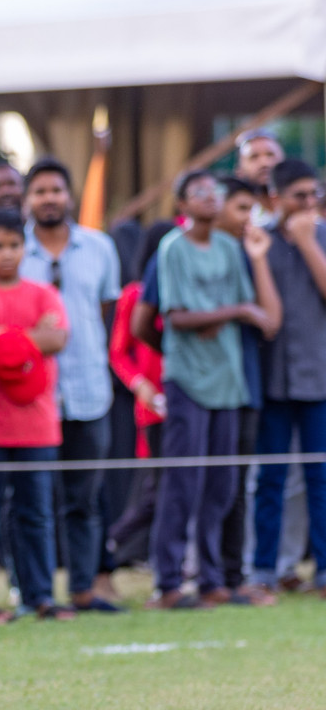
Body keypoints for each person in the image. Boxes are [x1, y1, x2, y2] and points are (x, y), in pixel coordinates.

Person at [147, 170, 276, 609]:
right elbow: (177, 316)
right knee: (183, 481)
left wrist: (224, 313)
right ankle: (167, 583)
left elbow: (256, 313)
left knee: (221, 484)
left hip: (229, 379)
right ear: (181, 203)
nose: (209, 197)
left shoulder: (229, 247)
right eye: (197, 191)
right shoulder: (173, 249)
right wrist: (233, 310)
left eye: (213, 191)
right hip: (187, 379)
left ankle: (212, 579)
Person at [17, 158, 124, 612]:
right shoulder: (11, 248)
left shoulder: (99, 247)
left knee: (84, 498)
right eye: (39, 191)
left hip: (88, 391)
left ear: (70, 196)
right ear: (28, 199)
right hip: (29, 396)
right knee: (30, 502)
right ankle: (36, 594)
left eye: (56, 190)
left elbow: (105, 310)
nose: (49, 199)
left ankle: (84, 588)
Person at [0, 210, 74, 620]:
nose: (6, 253)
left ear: (25, 248)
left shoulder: (44, 292)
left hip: (38, 424)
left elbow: (58, 337)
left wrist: (1, 337)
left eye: (13, 245)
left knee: (37, 514)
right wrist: (30, 336)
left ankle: (40, 594)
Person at [252, 158, 326, 601]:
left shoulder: (319, 235)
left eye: (313, 193)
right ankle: (262, 569)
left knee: (321, 477)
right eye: (299, 195)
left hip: (318, 378)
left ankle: (323, 568)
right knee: (271, 479)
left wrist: (306, 242)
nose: (308, 202)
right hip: (273, 381)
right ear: (275, 198)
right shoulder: (257, 240)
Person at [214, 176, 281, 603]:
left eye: (252, 210)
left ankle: (232, 577)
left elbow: (271, 321)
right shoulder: (184, 249)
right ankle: (200, 576)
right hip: (201, 387)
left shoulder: (251, 251)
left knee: (236, 485)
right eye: (240, 208)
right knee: (203, 483)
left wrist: (257, 259)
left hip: (245, 387)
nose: (248, 219)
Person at [104, 221, 174, 572]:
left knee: (168, 487)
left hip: (189, 396)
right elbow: (118, 353)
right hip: (153, 403)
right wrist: (140, 385)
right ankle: (115, 541)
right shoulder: (134, 294)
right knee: (158, 487)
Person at [235, 130, 284, 225]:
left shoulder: (307, 206)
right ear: (239, 171)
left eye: (270, 155)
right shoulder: (236, 218)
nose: (264, 163)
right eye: (254, 157)